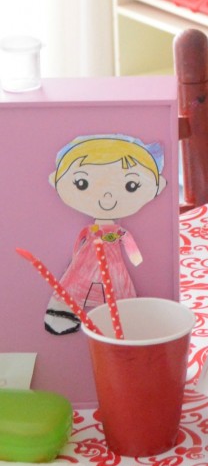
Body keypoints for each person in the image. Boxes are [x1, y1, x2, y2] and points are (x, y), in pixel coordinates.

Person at [45, 135, 165, 334]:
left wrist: (136, 258)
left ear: (158, 186)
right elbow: (80, 241)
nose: (107, 197)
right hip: (86, 260)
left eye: (131, 185)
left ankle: (125, 319)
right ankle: (62, 314)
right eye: (82, 183)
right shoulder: (91, 230)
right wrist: (76, 256)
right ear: (55, 180)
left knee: (118, 284)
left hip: (112, 261)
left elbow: (128, 241)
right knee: (75, 280)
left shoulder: (117, 231)